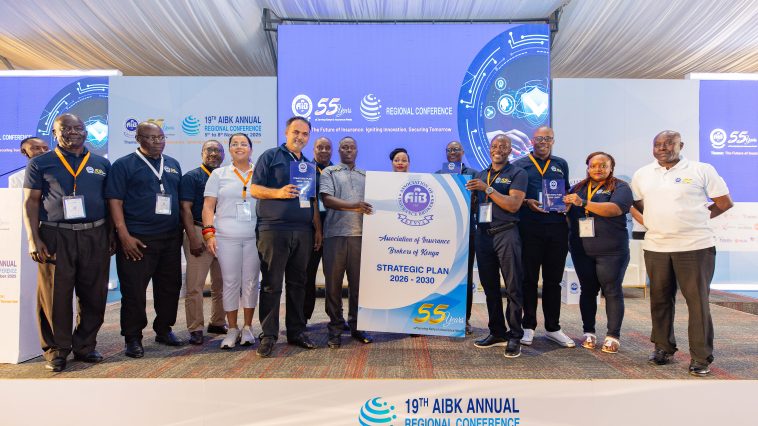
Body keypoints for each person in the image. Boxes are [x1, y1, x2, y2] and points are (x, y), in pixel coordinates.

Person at [631, 130, 732, 376]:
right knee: (659, 300)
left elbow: (724, 203)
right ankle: (663, 348)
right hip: (656, 246)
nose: (662, 148)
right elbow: (638, 204)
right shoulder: (642, 174)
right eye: (657, 144)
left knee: (697, 303)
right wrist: (653, 221)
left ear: (681, 145)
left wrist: (697, 219)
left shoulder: (701, 169)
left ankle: (701, 357)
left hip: (695, 246)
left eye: (668, 143)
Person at [22, 113, 111, 372]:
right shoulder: (41, 163)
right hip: (55, 235)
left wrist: (111, 235)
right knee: (55, 296)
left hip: (95, 233)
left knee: (94, 294)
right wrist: (33, 239)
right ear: (55, 133)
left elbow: (110, 202)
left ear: (86, 132)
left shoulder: (101, 163)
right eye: (66, 128)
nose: (73, 132)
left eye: (78, 128)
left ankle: (85, 345)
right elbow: (31, 202)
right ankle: (57, 350)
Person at [106, 121, 184, 358]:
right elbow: (114, 201)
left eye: (161, 137)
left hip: (170, 238)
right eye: (151, 137)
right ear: (138, 138)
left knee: (170, 288)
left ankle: (164, 329)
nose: (158, 142)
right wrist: (123, 235)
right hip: (138, 239)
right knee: (134, 291)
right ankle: (133, 337)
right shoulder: (124, 165)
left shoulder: (172, 164)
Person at [250, 116, 322, 357]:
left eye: (305, 134)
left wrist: (317, 229)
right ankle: (268, 335)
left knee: (298, 284)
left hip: (303, 231)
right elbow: (254, 189)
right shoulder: (270, 156)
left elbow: (312, 200)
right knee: (271, 284)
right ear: (286, 132)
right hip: (274, 229)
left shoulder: (308, 165)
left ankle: (296, 331)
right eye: (296, 132)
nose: (300, 137)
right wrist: (278, 193)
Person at [563, 152, 633, 354]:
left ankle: (613, 335)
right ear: (588, 167)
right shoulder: (577, 188)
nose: (598, 169)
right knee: (587, 290)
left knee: (612, 290)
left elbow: (614, 209)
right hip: (582, 250)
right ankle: (589, 332)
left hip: (611, 251)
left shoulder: (620, 187)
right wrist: (563, 206)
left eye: (603, 165)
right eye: (593, 165)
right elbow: (567, 213)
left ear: (611, 167)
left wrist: (584, 203)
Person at [466, 134, 527, 358]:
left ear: (510, 150)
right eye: (495, 146)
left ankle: (515, 335)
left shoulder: (517, 173)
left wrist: (488, 189)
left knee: (512, 287)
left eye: (503, 146)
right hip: (483, 235)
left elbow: (513, 205)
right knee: (489, 287)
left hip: (506, 233)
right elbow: (475, 205)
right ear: (490, 149)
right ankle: (497, 332)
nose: (498, 149)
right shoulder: (482, 174)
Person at [512, 126, 575, 348]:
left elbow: (566, 190)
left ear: (553, 141)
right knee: (528, 279)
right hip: (529, 228)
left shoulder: (561, 164)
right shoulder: (519, 165)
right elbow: (513, 196)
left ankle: (553, 327)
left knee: (553, 281)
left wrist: (567, 202)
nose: (543, 142)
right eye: (539, 138)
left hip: (557, 228)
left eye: (547, 138)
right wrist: (527, 202)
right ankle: (528, 326)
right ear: (532, 141)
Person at [202, 133, 261, 349]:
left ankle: (248, 327)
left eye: (243, 144)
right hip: (226, 236)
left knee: (251, 282)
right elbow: (208, 206)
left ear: (250, 149)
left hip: (254, 236)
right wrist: (209, 233)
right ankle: (232, 328)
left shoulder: (260, 173)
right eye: (234, 144)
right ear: (229, 149)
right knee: (230, 281)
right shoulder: (219, 174)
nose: (239, 147)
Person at [320, 136, 374, 348]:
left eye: (352, 147)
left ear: (357, 151)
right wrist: (355, 206)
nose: (348, 150)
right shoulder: (329, 172)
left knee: (358, 286)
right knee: (333, 286)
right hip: (335, 235)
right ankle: (335, 329)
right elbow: (327, 200)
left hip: (360, 236)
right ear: (339, 150)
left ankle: (357, 327)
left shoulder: (366, 176)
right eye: (344, 147)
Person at [179, 140, 227, 346]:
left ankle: (218, 322)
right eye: (210, 150)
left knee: (222, 283)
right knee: (195, 285)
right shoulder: (192, 177)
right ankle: (195, 328)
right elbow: (185, 209)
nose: (214, 154)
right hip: (198, 231)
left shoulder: (226, 176)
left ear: (224, 155)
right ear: (202, 153)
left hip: (223, 234)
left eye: (218, 150)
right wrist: (193, 237)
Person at [435, 141, 479, 335]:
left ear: (462, 152)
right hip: (443, 234)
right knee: (441, 276)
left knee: (464, 277)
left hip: (467, 233)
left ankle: (464, 319)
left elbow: (479, 202)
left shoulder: (474, 174)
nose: (452, 152)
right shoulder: (438, 175)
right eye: (449, 150)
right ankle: (439, 318)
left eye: (456, 149)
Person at [304, 136, 333, 326]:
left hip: (334, 228)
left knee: (333, 276)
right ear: (313, 149)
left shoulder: (337, 171)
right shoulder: (305, 170)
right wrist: (317, 229)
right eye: (319, 147)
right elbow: (304, 200)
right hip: (310, 230)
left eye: (327, 148)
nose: (323, 150)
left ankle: (335, 317)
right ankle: (303, 317)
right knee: (308, 275)